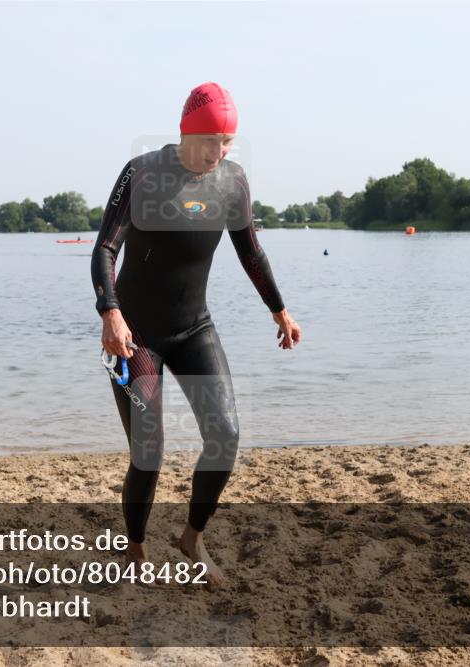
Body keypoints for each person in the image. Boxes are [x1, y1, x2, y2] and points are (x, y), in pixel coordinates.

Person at [90, 82, 301, 586]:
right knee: (149, 450)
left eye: (227, 141)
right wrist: (110, 313)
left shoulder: (232, 182)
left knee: (225, 435)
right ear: (186, 131)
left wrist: (280, 310)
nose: (219, 151)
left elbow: (250, 250)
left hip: (193, 328)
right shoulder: (142, 173)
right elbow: (104, 250)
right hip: (134, 337)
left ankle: (192, 538)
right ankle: (136, 552)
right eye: (210, 140)